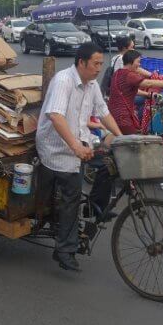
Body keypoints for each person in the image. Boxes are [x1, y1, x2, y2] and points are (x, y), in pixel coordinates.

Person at [35, 42, 123, 272]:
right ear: (81, 63)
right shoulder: (64, 81)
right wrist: (74, 146)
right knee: (71, 194)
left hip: (80, 141)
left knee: (108, 165)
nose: (98, 69)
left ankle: (95, 209)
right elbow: (55, 116)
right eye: (95, 64)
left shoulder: (91, 84)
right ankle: (63, 249)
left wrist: (121, 137)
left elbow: (103, 112)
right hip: (56, 148)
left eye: (101, 64)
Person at [108, 49, 163, 134]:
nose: (139, 65)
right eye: (138, 62)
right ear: (130, 61)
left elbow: (131, 91)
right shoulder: (129, 75)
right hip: (122, 116)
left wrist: (148, 94)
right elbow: (148, 83)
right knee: (132, 142)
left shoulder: (118, 72)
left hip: (113, 113)